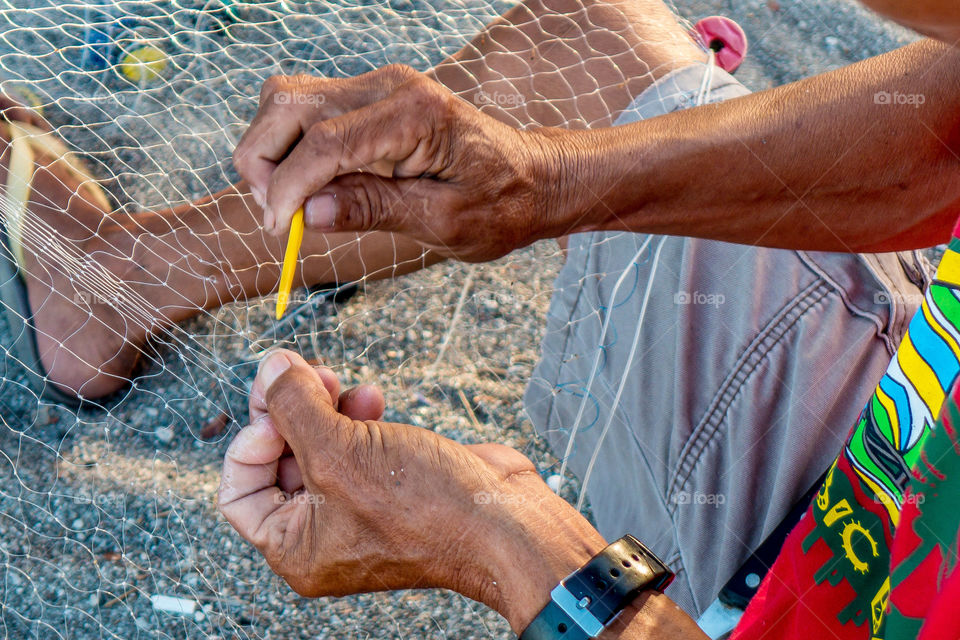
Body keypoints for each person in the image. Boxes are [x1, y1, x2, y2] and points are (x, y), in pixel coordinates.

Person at [0, 0, 956, 636]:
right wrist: (543, 180)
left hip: (837, 590)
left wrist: (493, 532)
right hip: (905, 417)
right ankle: (113, 279)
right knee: (590, 40)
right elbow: (942, 131)